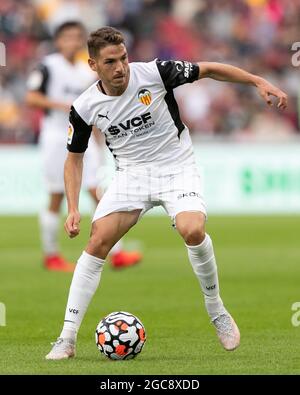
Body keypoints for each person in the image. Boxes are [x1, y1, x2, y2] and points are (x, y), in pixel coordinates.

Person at [45, 27, 287, 359]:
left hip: (177, 166)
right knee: (97, 241)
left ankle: (216, 309)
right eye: (110, 62)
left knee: (192, 229)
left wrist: (258, 81)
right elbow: (73, 160)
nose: (120, 68)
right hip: (131, 176)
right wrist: (72, 208)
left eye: (124, 58)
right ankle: (67, 338)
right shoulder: (85, 106)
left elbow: (211, 68)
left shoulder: (154, 73)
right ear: (93, 65)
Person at [26, 22, 142, 272]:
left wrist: (100, 136)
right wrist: (68, 107)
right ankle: (51, 255)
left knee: (96, 191)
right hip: (56, 136)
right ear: (58, 41)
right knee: (57, 196)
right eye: (67, 37)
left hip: (85, 138)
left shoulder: (86, 69)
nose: (72, 41)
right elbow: (31, 97)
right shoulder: (47, 66)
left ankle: (116, 252)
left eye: (76, 37)